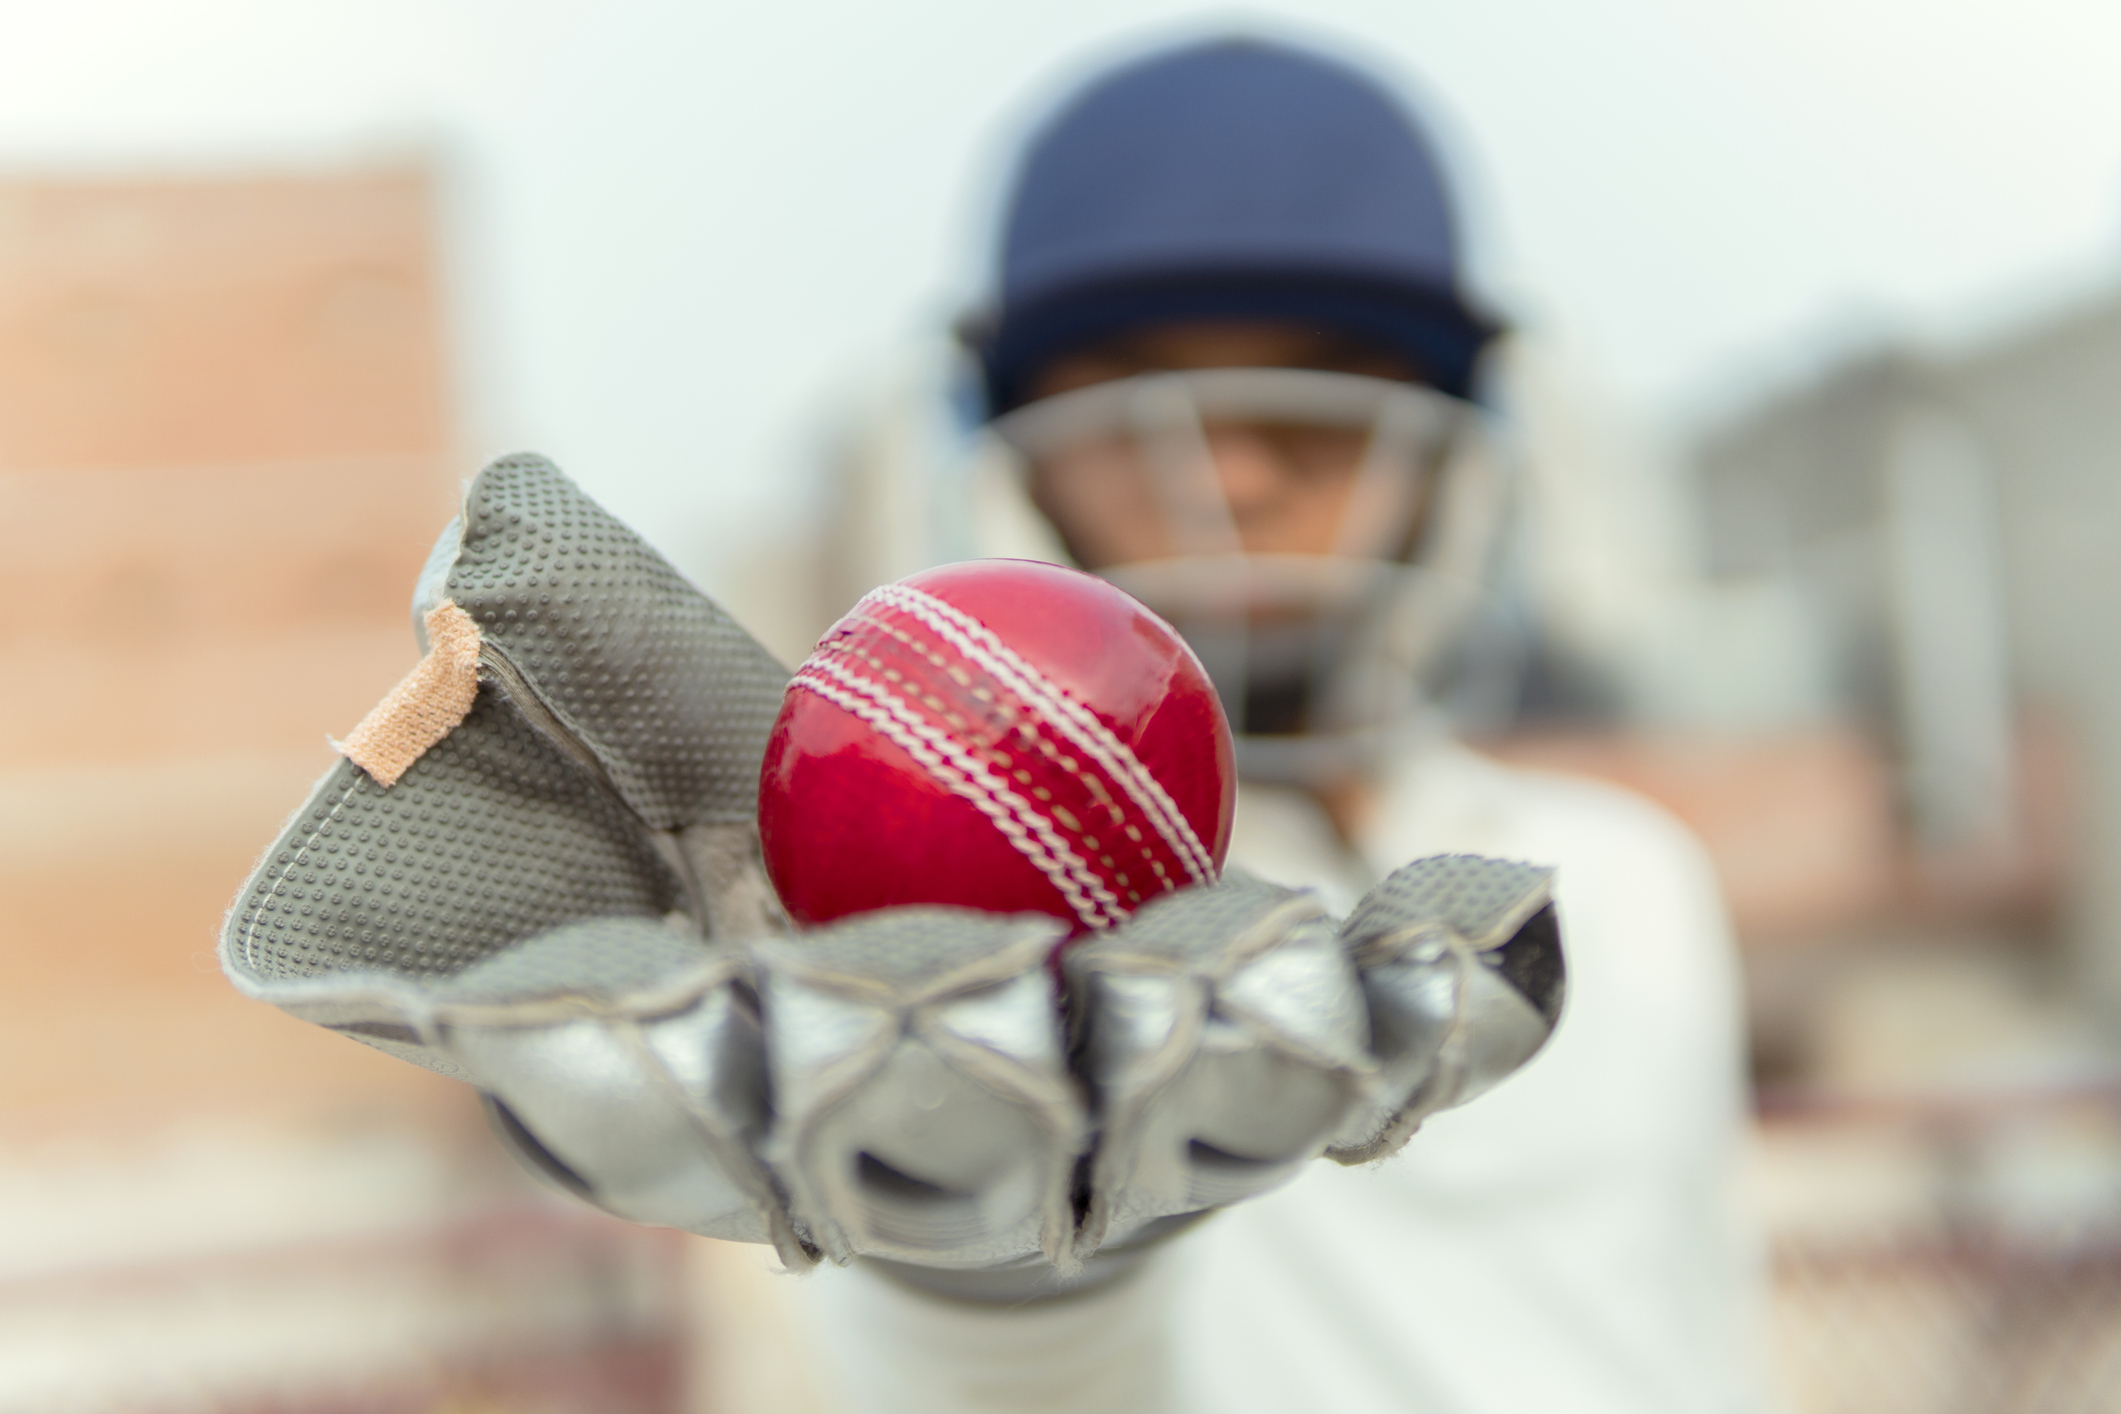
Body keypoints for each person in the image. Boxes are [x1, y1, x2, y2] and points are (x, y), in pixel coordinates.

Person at [782, 34, 1761, 1414]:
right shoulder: (965, 936)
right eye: (1134, 406)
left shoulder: (1625, 878)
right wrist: (980, 1264)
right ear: (1015, 458)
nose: (1230, 470)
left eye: (1316, 399)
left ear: (1445, 445)